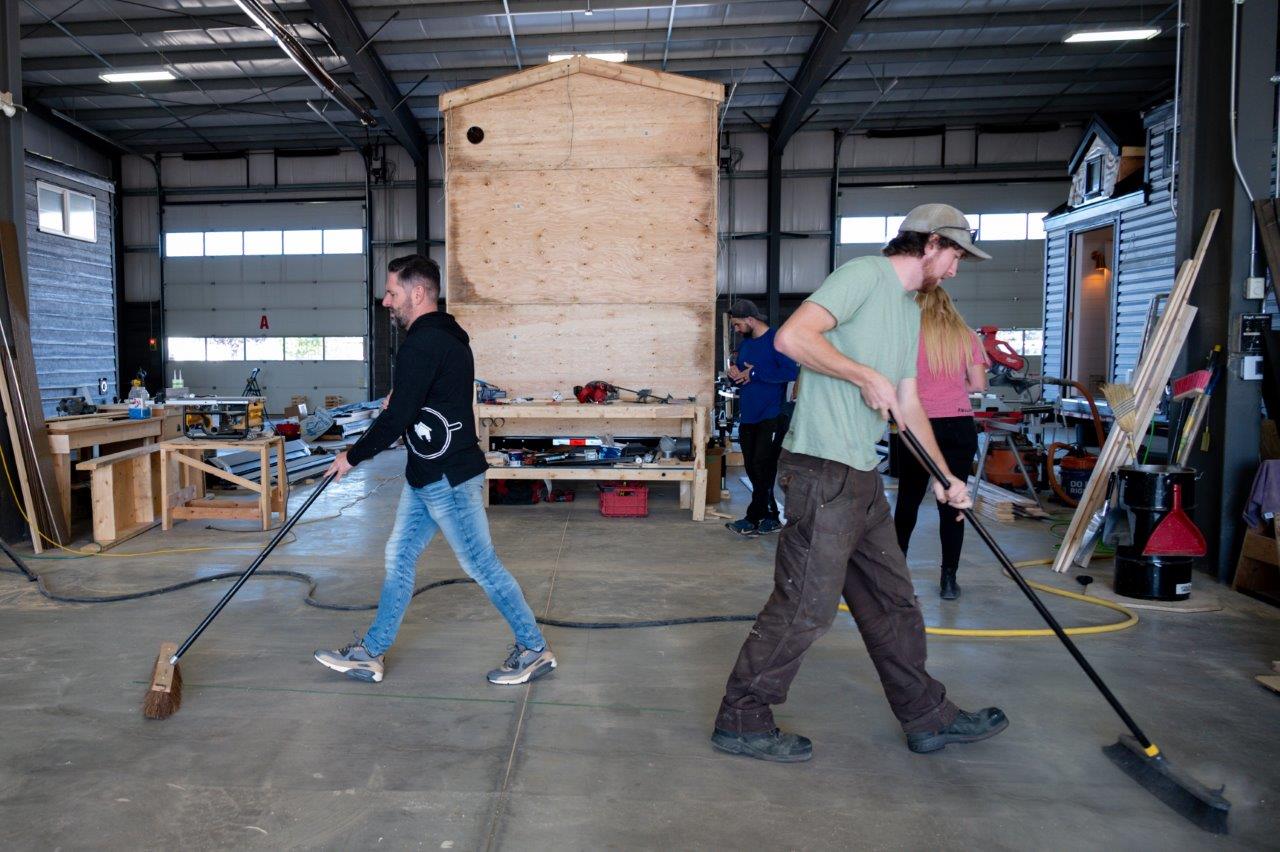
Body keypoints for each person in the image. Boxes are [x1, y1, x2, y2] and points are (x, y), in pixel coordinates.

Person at [711, 204, 1008, 762]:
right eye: (955, 256)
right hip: (822, 470)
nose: (955, 270)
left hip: (860, 476)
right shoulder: (864, 275)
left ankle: (927, 715)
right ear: (930, 244)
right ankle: (742, 718)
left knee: (894, 602)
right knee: (806, 607)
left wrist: (945, 476)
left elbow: (909, 401)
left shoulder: (910, 309)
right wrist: (861, 373)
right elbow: (793, 338)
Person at [314, 255, 555, 686]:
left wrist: (351, 457)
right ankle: (371, 653)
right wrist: (404, 396)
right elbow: (431, 399)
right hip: (425, 475)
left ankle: (534, 649)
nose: (387, 301)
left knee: (481, 565)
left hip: (449, 478)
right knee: (399, 557)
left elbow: (396, 420)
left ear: (419, 292)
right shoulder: (446, 338)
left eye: (392, 293)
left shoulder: (423, 344)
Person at [893, 286, 988, 600]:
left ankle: (896, 577)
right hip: (958, 425)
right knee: (952, 503)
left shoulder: (908, 337)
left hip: (917, 425)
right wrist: (952, 385)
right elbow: (978, 384)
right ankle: (949, 580)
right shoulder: (966, 337)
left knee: (908, 500)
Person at [725, 299, 799, 537]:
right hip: (749, 414)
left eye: (738, 324)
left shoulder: (777, 340)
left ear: (750, 319)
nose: (737, 329)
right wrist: (734, 375)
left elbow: (791, 371)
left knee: (762, 466)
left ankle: (752, 517)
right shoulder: (746, 344)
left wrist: (755, 372)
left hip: (772, 413)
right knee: (752, 467)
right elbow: (743, 377)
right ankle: (771, 516)